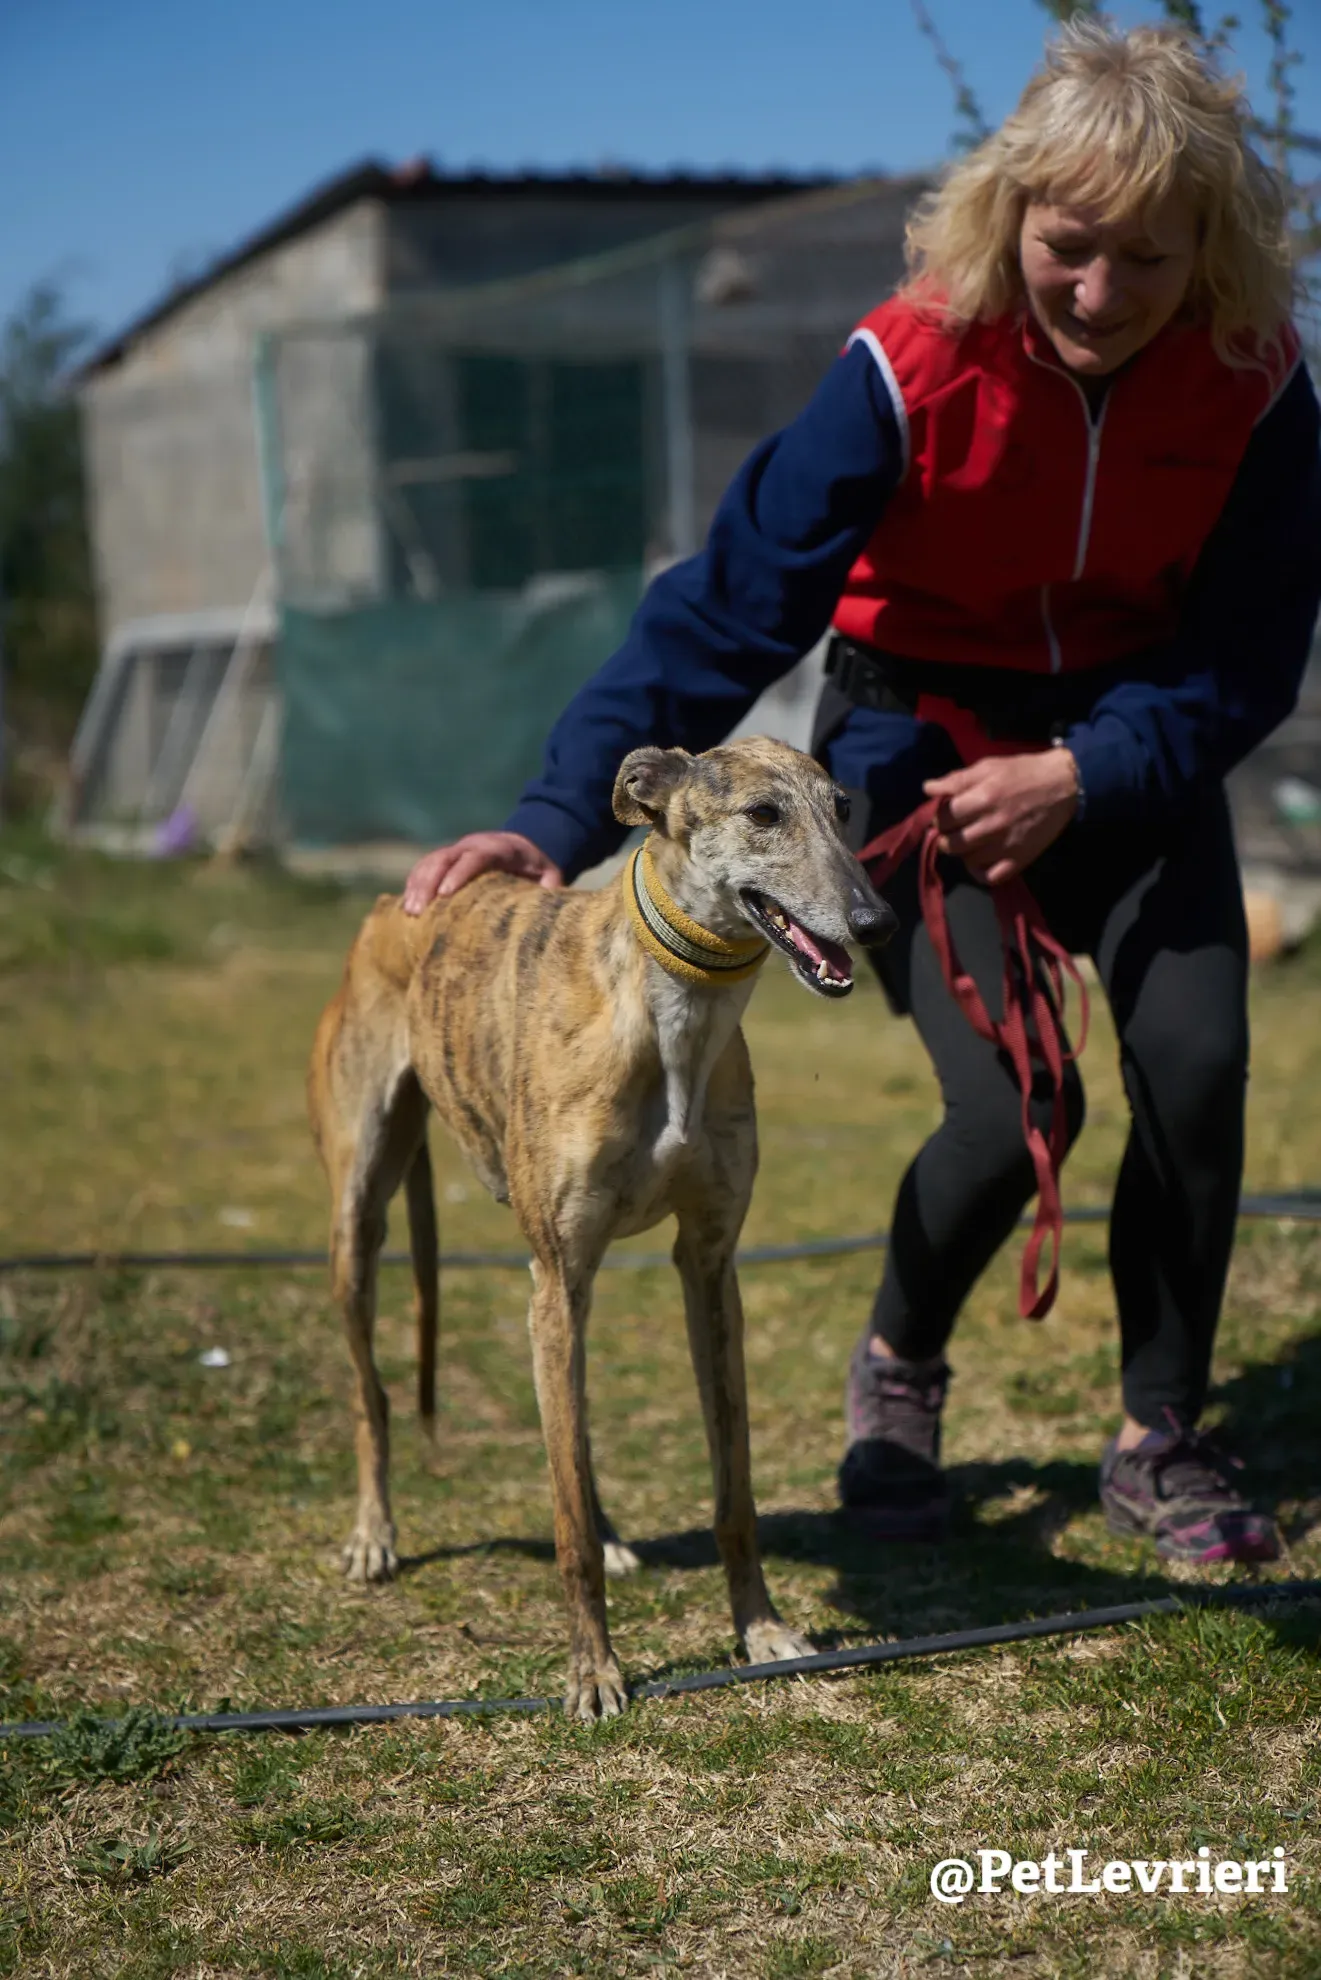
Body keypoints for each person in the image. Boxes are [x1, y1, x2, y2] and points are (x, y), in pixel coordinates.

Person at [404, 20, 1321, 1565]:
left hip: (1136, 756)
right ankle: (896, 1372)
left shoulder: (1260, 385)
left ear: (1212, 249)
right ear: (1012, 212)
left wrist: (1088, 771)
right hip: (920, 758)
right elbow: (725, 612)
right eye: (1068, 246)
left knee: (1201, 1060)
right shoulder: (905, 366)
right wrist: (551, 816)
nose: (1098, 293)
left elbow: (1248, 659)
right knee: (1017, 1102)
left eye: (1148, 262)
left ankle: (1162, 1429)